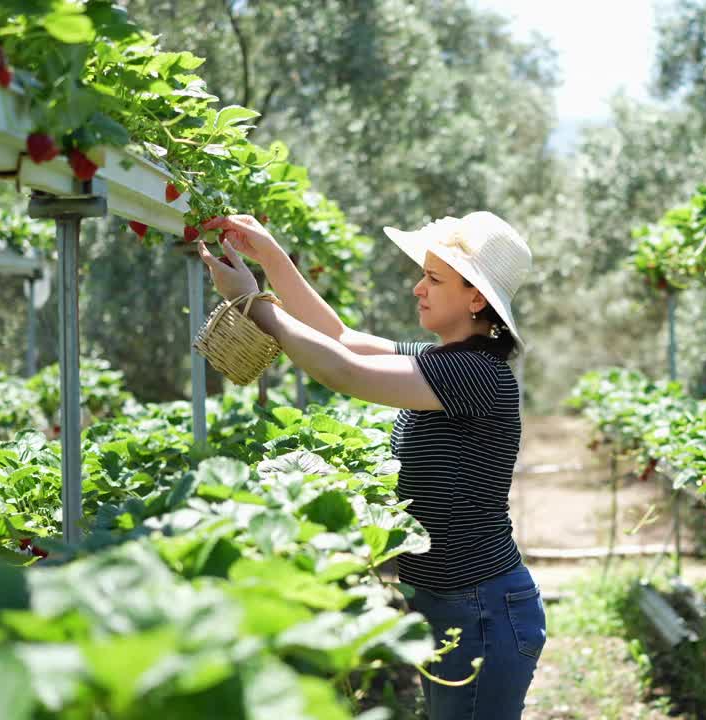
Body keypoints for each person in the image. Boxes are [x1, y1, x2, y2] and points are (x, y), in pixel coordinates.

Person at [197, 210, 546, 720]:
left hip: (483, 610)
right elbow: (340, 337)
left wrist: (256, 305)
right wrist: (270, 255)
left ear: (476, 299)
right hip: (459, 604)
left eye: (433, 278)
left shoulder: (476, 373)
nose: (416, 288)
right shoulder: (443, 359)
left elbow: (343, 371)